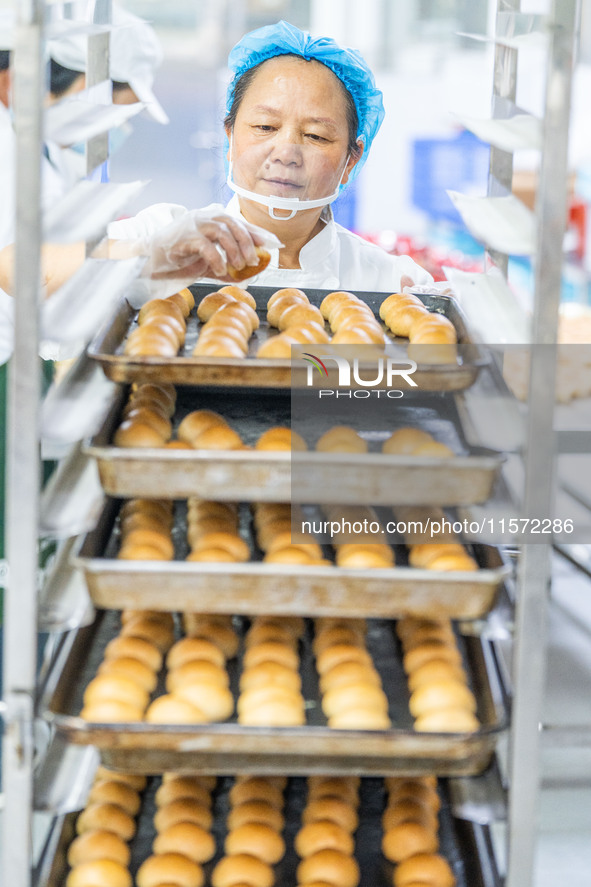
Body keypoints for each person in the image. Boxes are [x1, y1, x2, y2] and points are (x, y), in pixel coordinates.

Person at [106, 20, 434, 294]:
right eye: (265, 126)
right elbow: (56, 276)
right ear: (230, 137)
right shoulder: (159, 234)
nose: (286, 153)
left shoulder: (391, 284)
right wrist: (149, 257)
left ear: (351, 159)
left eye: (316, 135)